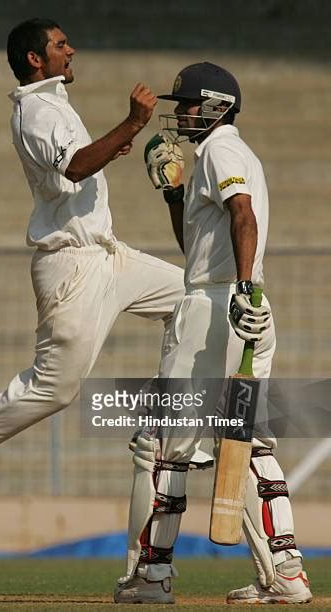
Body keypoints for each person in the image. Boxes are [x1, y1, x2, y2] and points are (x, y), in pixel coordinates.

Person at [0, 18, 203, 527]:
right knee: (56, 388)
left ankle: (174, 424)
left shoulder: (55, 105)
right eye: (60, 44)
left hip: (108, 253)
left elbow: (73, 170)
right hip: (72, 266)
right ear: (35, 58)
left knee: (194, 298)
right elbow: (73, 167)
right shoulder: (34, 109)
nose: (71, 50)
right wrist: (133, 123)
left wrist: (112, 149)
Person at [114, 62, 313, 605]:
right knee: (248, 442)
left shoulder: (222, 149)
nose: (179, 114)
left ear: (215, 106)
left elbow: (241, 215)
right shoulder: (228, 154)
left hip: (217, 308)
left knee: (166, 444)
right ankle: (286, 573)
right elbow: (198, 246)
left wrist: (242, 288)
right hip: (242, 304)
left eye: (186, 104)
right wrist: (174, 196)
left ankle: (152, 577)